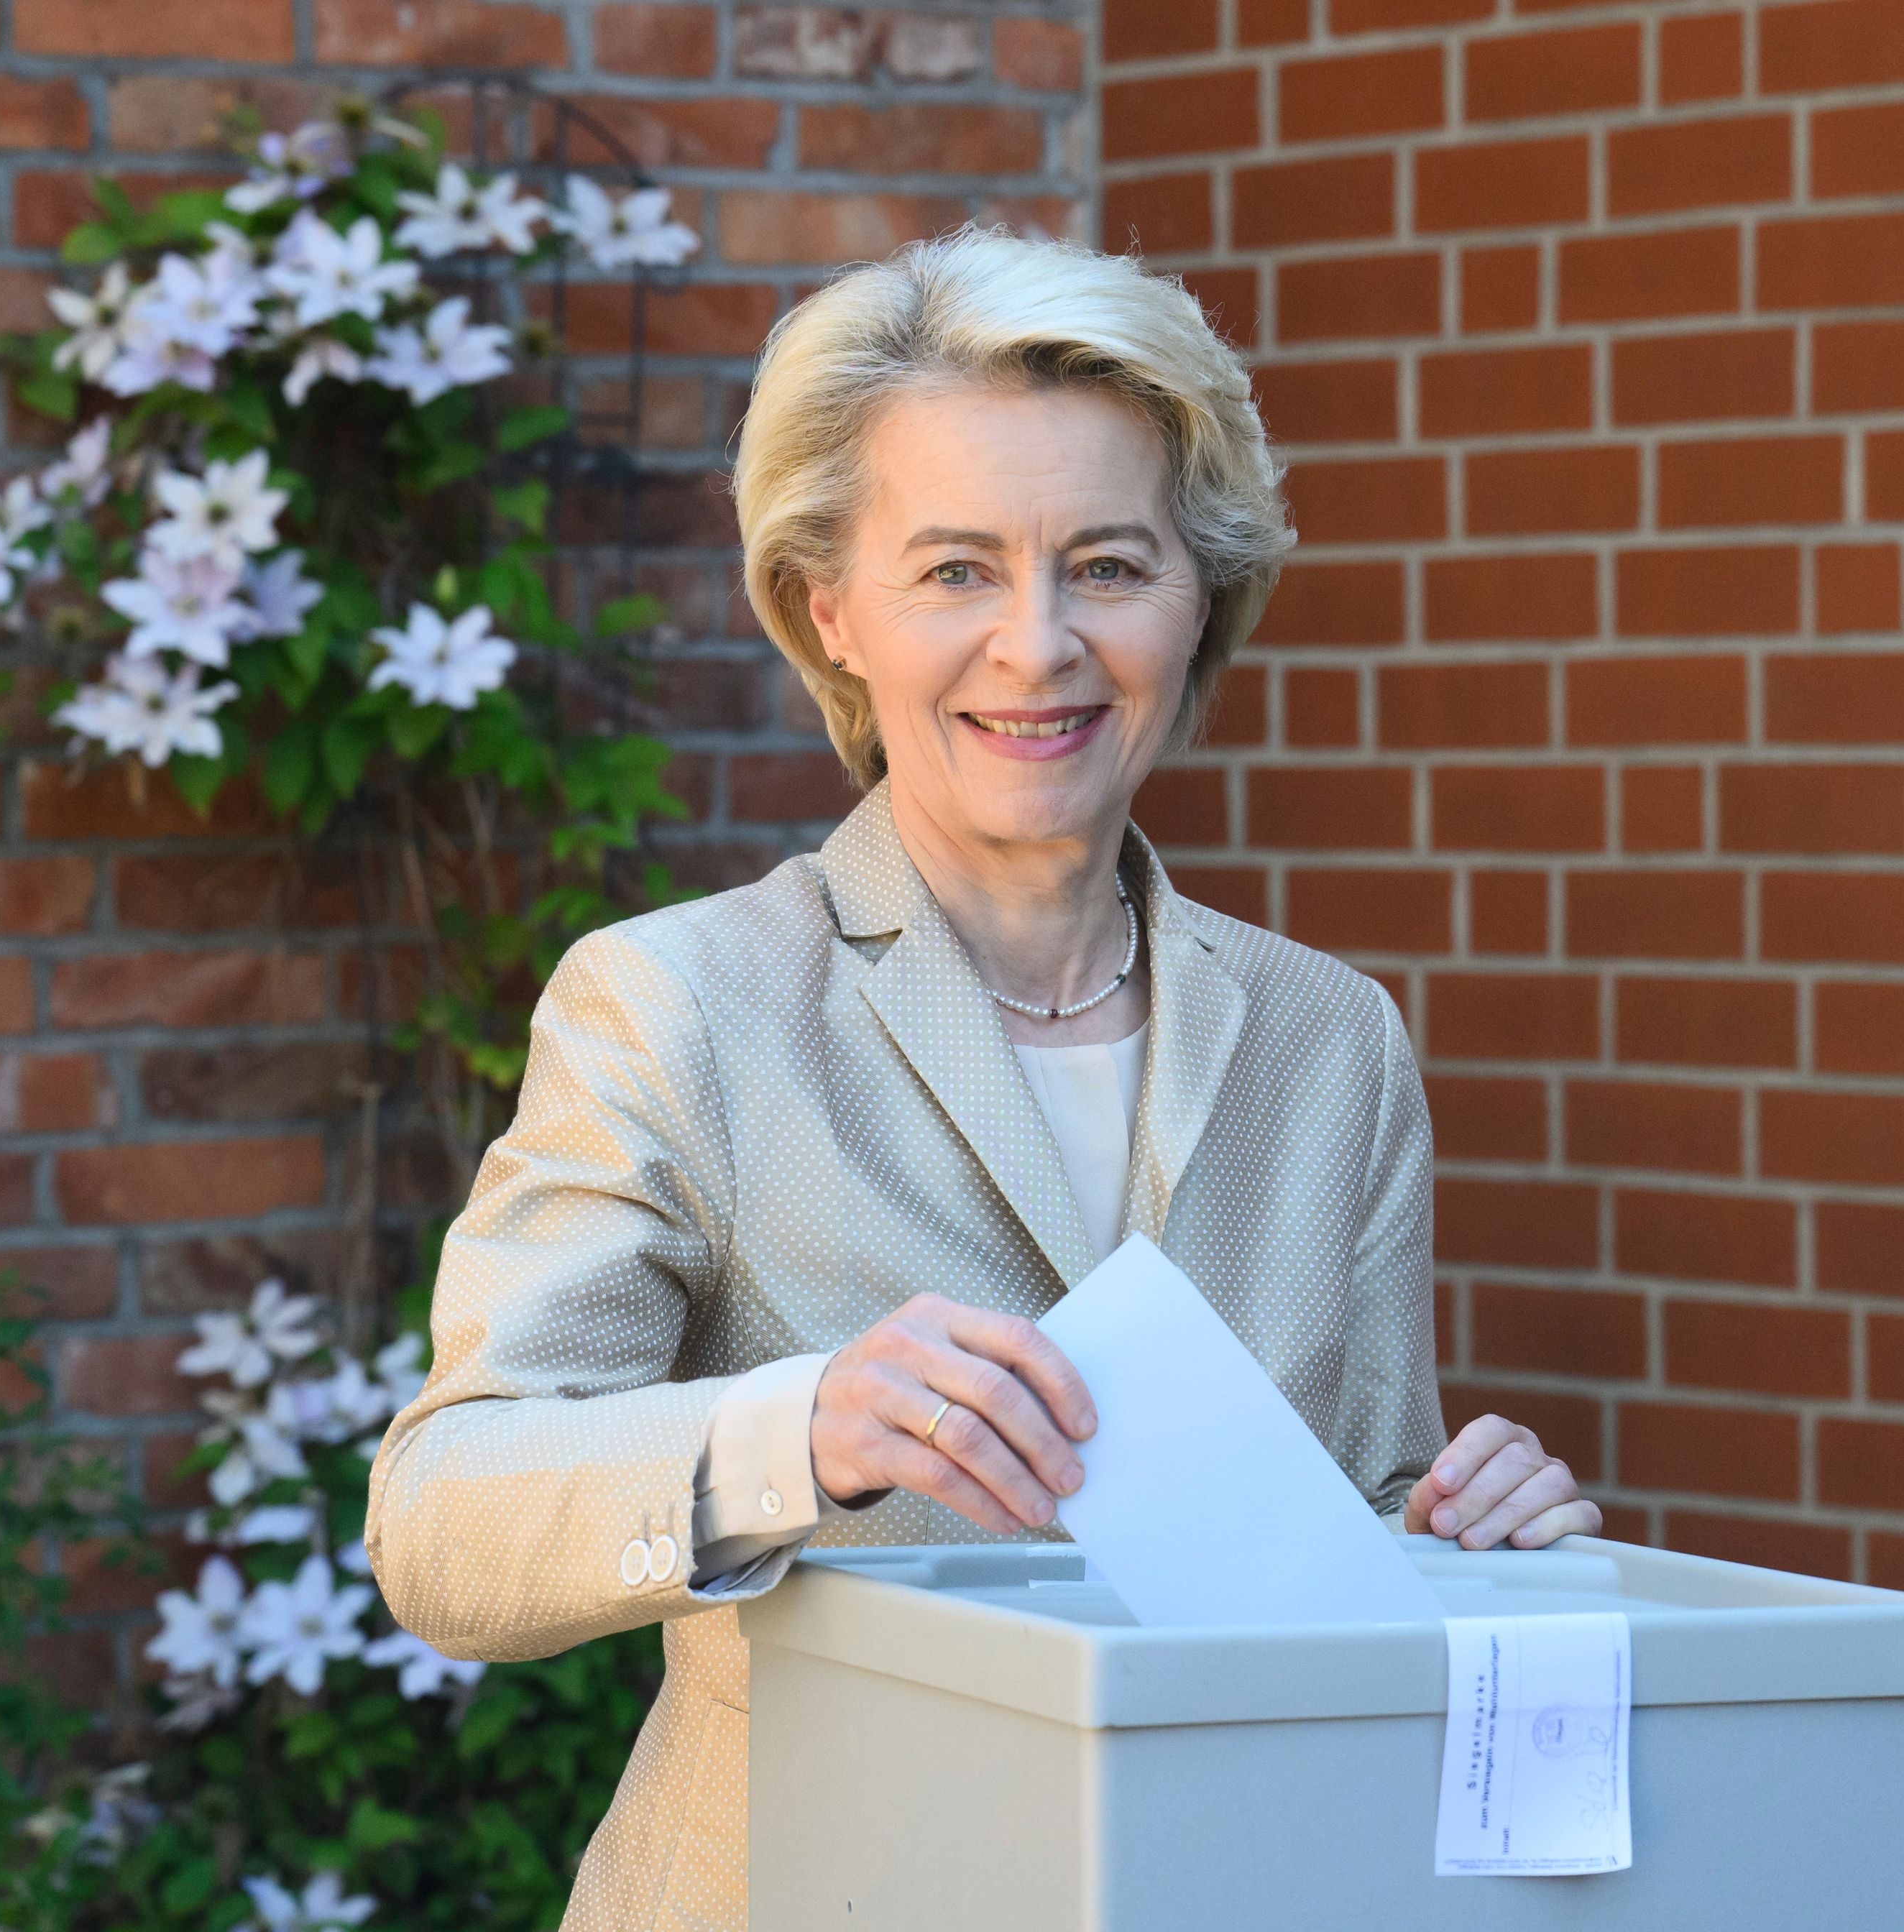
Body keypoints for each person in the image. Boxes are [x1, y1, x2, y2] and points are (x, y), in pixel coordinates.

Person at [367, 228, 1601, 1931]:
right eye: (954, 571)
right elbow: (442, 1523)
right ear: (833, 612)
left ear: (1199, 597)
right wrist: (800, 1428)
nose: (1039, 647)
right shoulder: (679, 1004)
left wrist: (1465, 1526)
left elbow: (1357, 1519)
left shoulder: (1335, 1040)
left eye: (1108, 564)